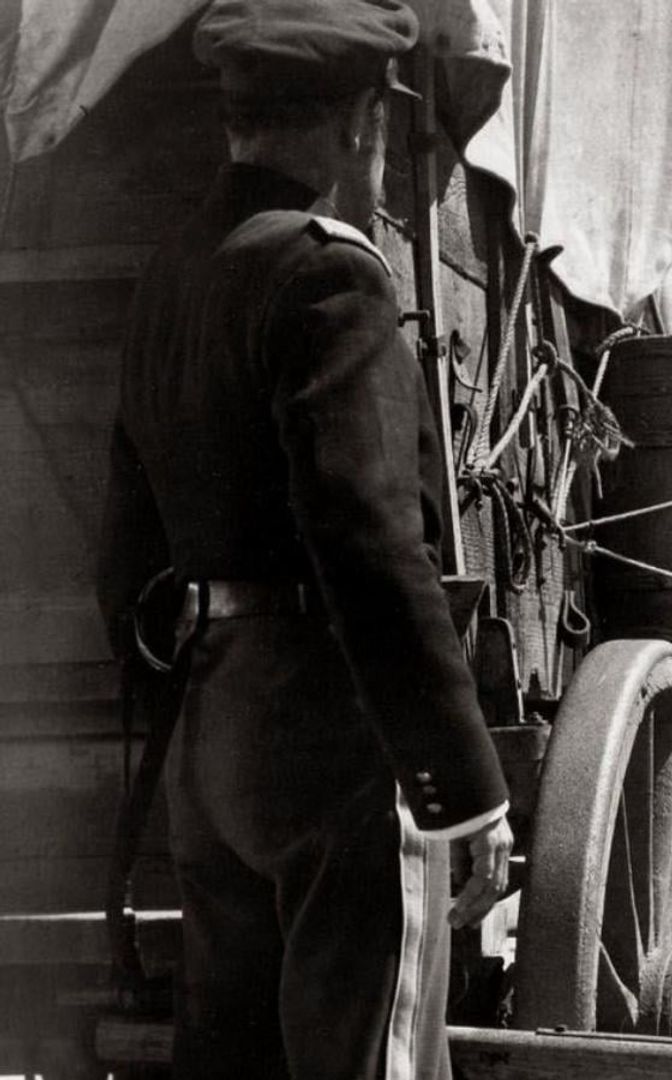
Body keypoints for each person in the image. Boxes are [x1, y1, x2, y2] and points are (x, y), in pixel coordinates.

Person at [94, 2, 513, 1076]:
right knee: (362, 1055)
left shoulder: (174, 277)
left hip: (213, 728)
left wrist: (189, 701)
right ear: (360, 124)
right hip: (330, 732)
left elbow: (125, 548)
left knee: (229, 1058)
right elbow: (372, 541)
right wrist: (462, 790)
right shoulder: (330, 269)